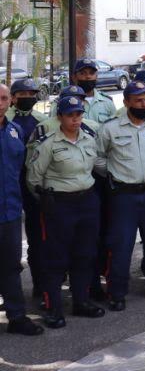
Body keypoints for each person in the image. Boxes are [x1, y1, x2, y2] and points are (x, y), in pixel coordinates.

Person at [26, 95, 105, 328]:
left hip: (87, 202)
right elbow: (33, 179)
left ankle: (81, 301)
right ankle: (53, 308)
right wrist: (47, 202)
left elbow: (96, 167)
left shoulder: (89, 140)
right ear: (59, 117)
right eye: (70, 115)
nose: (75, 119)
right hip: (59, 205)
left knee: (85, 254)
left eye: (79, 114)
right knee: (56, 258)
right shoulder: (49, 144)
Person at [96, 81, 145, 309]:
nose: (144, 104)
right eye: (139, 100)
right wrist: (113, 172)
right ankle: (117, 291)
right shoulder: (110, 128)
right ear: (126, 102)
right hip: (124, 195)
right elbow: (97, 156)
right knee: (121, 244)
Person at [0, 84, 42, 335]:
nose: (1, 102)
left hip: (10, 213)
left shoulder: (15, 131)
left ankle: (17, 317)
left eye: (4, 98)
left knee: (11, 266)